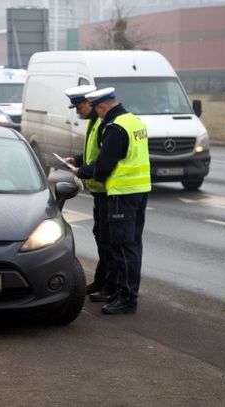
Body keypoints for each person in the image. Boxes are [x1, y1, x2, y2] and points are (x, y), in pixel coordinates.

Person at [83, 87, 151, 315]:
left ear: (102, 107)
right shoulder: (133, 121)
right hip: (139, 190)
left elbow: (102, 170)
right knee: (133, 245)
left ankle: (126, 298)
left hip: (122, 193)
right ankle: (125, 292)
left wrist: (82, 171)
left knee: (122, 247)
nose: (97, 115)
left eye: (97, 110)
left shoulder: (115, 128)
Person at [63, 85, 116, 301]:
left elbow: (104, 159)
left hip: (108, 190)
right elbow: (93, 153)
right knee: (101, 237)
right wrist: (77, 159)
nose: (77, 112)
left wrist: (82, 171)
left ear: (91, 103)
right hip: (99, 190)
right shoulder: (94, 123)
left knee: (108, 240)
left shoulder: (104, 123)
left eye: (79, 106)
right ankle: (102, 281)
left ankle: (109, 286)